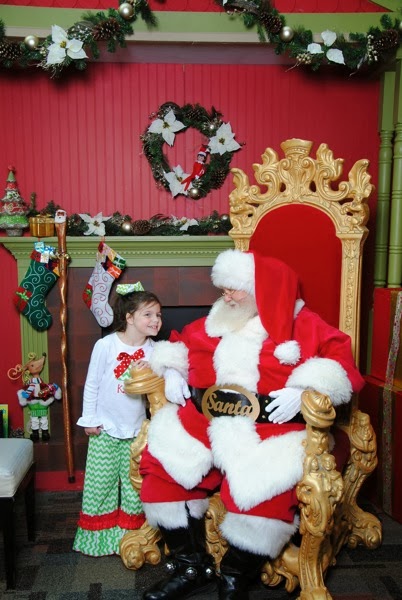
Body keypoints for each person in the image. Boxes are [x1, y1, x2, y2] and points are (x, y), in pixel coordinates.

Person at [138, 248, 365, 600]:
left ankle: (234, 575)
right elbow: (181, 340)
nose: (226, 297)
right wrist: (171, 369)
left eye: (234, 290)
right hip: (206, 417)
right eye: (223, 289)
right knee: (162, 470)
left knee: (263, 492)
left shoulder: (303, 322)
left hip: (271, 427)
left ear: (262, 288)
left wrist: (307, 387)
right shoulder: (220, 318)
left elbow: (341, 362)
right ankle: (191, 567)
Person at [73, 283, 162, 557]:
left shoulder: (155, 351)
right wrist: (90, 418)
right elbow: (92, 384)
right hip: (105, 428)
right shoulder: (106, 345)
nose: (156, 320)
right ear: (129, 317)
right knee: (101, 484)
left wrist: (152, 370)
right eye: (148, 314)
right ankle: (99, 541)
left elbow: (162, 390)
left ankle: (130, 541)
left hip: (137, 431)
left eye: (158, 315)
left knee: (135, 487)